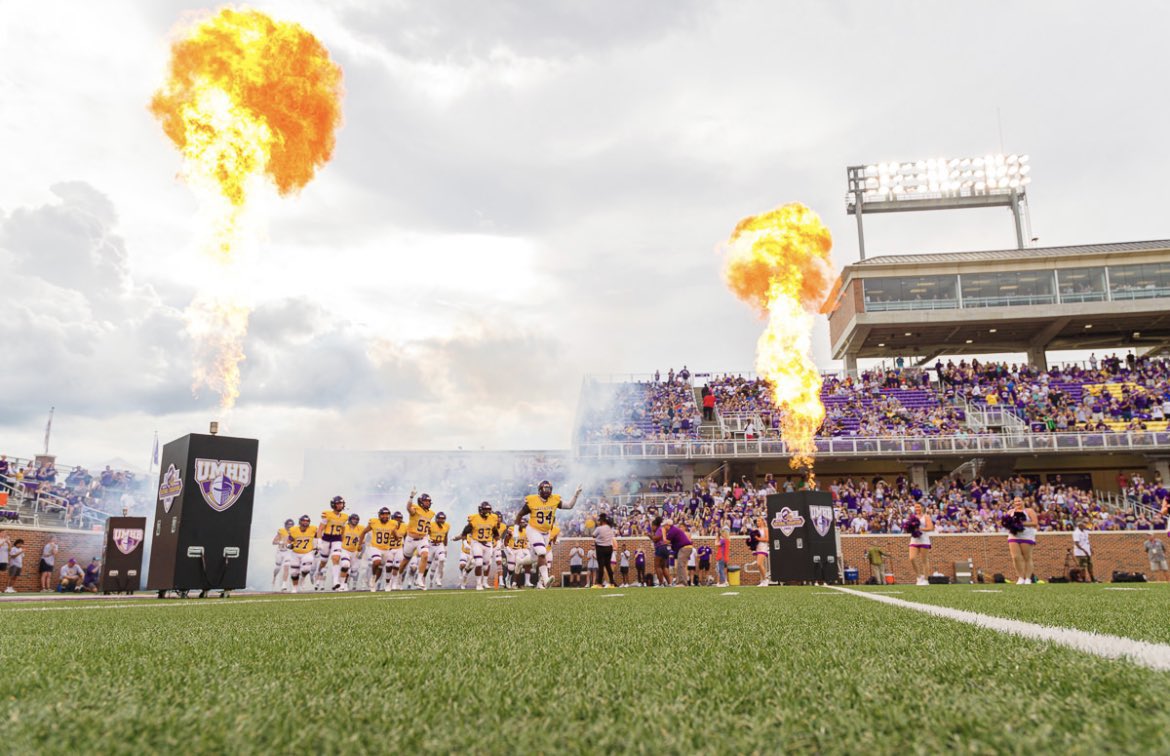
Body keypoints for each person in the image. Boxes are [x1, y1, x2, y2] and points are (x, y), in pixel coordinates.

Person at [516, 480, 582, 589]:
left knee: (534, 558)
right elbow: (519, 515)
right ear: (540, 490)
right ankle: (545, 580)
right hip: (533, 529)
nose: (547, 491)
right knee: (542, 552)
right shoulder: (532, 500)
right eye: (545, 488)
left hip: (546, 533)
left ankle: (520, 562)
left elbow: (569, 506)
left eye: (549, 489)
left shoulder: (554, 500)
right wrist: (515, 531)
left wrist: (575, 495)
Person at [461, 501, 502, 591]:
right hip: (477, 542)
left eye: (488, 509)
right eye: (485, 509)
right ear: (480, 510)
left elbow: (495, 532)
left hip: (488, 543)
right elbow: (464, 532)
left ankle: (467, 571)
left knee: (486, 565)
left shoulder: (493, 518)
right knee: (478, 563)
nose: (487, 511)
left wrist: (498, 541)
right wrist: (465, 543)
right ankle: (479, 584)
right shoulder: (474, 518)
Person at [401, 489, 435, 590]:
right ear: (420, 501)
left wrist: (428, 535)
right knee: (405, 560)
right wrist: (411, 497)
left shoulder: (431, 513)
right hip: (411, 539)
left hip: (422, 538)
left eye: (429, 501)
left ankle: (419, 579)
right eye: (426, 501)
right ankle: (397, 577)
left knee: (425, 555)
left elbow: (426, 526)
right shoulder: (415, 508)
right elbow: (408, 508)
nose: (428, 503)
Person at [317, 496, 348, 590]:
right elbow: (320, 529)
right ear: (333, 505)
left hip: (337, 539)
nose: (340, 505)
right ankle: (318, 574)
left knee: (336, 558)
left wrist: (342, 542)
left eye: (341, 503)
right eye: (338, 503)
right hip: (326, 539)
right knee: (323, 562)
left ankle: (335, 581)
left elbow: (343, 530)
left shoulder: (345, 517)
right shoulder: (327, 514)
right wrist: (319, 541)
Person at [1005, 497, 1039, 585]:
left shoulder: (1029, 511)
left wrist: (1021, 523)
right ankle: (1020, 577)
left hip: (1027, 536)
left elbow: (1035, 523)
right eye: (1015, 501)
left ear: (1023, 502)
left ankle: (1028, 578)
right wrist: (1009, 524)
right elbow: (1005, 522)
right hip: (1014, 535)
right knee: (1015, 557)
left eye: (1019, 501)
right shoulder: (1010, 512)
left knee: (1027, 557)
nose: (1017, 503)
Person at [286, 515, 318, 593]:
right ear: (300, 521)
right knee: (294, 572)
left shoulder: (313, 529)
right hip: (295, 553)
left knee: (306, 568)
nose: (305, 523)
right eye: (304, 521)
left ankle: (302, 578)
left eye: (307, 521)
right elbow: (288, 542)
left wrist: (316, 546)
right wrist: (288, 545)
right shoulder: (294, 530)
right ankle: (295, 587)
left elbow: (318, 537)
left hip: (307, 552)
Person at [906, 503, 934, 586]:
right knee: (912, 558)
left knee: (924, 560)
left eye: (918, 507)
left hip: (924, 540)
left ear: (922, 507)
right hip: (914, 540)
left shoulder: (926, 517)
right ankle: (919, 576)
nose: (917, 508)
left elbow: (930, 528)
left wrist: (920, 529)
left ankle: (926, 579)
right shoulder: (912, 517)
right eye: (916, 507)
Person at [338, 513, 364, 591]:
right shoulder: (344, 527)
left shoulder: (361, 528)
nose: (355, 521)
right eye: (353, 519)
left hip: (354, 551)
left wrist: (361, 549)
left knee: (353, 570)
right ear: (350, 520)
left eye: (357, 519)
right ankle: (342, 584)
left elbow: (362, 542)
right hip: (344, 549)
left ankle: (345, 582)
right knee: (346, 565)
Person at [664, 519, 694, 586]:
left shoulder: (672, 530)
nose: (663, 527)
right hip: (684, 548)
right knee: (680, 565)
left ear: (668, 525)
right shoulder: (673, 530)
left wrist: (663, 532)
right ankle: (682, 582)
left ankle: (682, 582)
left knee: (681, 565)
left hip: (684, 548)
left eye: (664, 526)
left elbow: (666, 541)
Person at [426, 512, 450, 589]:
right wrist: (427, 540)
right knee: (427, 566)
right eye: (439, 518)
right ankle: (423, 579)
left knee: (442, 559)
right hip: (431, 545)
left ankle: (438, 578)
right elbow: (426, 534)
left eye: (442, 519)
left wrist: (445, 547)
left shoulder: (447, 525)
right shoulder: (431, 524)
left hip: (440, 545)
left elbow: (445, 536)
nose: (441, 520)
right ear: (436, 519)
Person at [592, 513, 617, 587]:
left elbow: (593, 535)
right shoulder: (610, 528)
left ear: (602, 521)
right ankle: (612, 583)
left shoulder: (599, 528)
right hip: (609, 548)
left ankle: (599, 583)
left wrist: (597, 526)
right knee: (608, 566)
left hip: (600, 548)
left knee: (601, 566)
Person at [272, 518, 294, 590]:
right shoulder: (281, 531)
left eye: (291, 524)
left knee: (286, 567)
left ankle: (284, 584)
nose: (290, 526)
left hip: (288, 552)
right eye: (288, 524)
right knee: (277, 567)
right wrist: (280, 542)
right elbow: (273, 542)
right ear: (285, 525)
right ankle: (274, 577)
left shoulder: (294, 532)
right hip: (280, 551)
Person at [650, 516, 670, 587]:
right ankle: (669, 583)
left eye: (652, 526)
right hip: (664, 548)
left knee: (657, 566)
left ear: (655, 525)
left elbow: (656, 539)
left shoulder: (659, 529)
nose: (651, 527)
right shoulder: (661, 529)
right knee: (663, 567)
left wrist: (649, 535)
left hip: (660, 548)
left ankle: (661, 583)